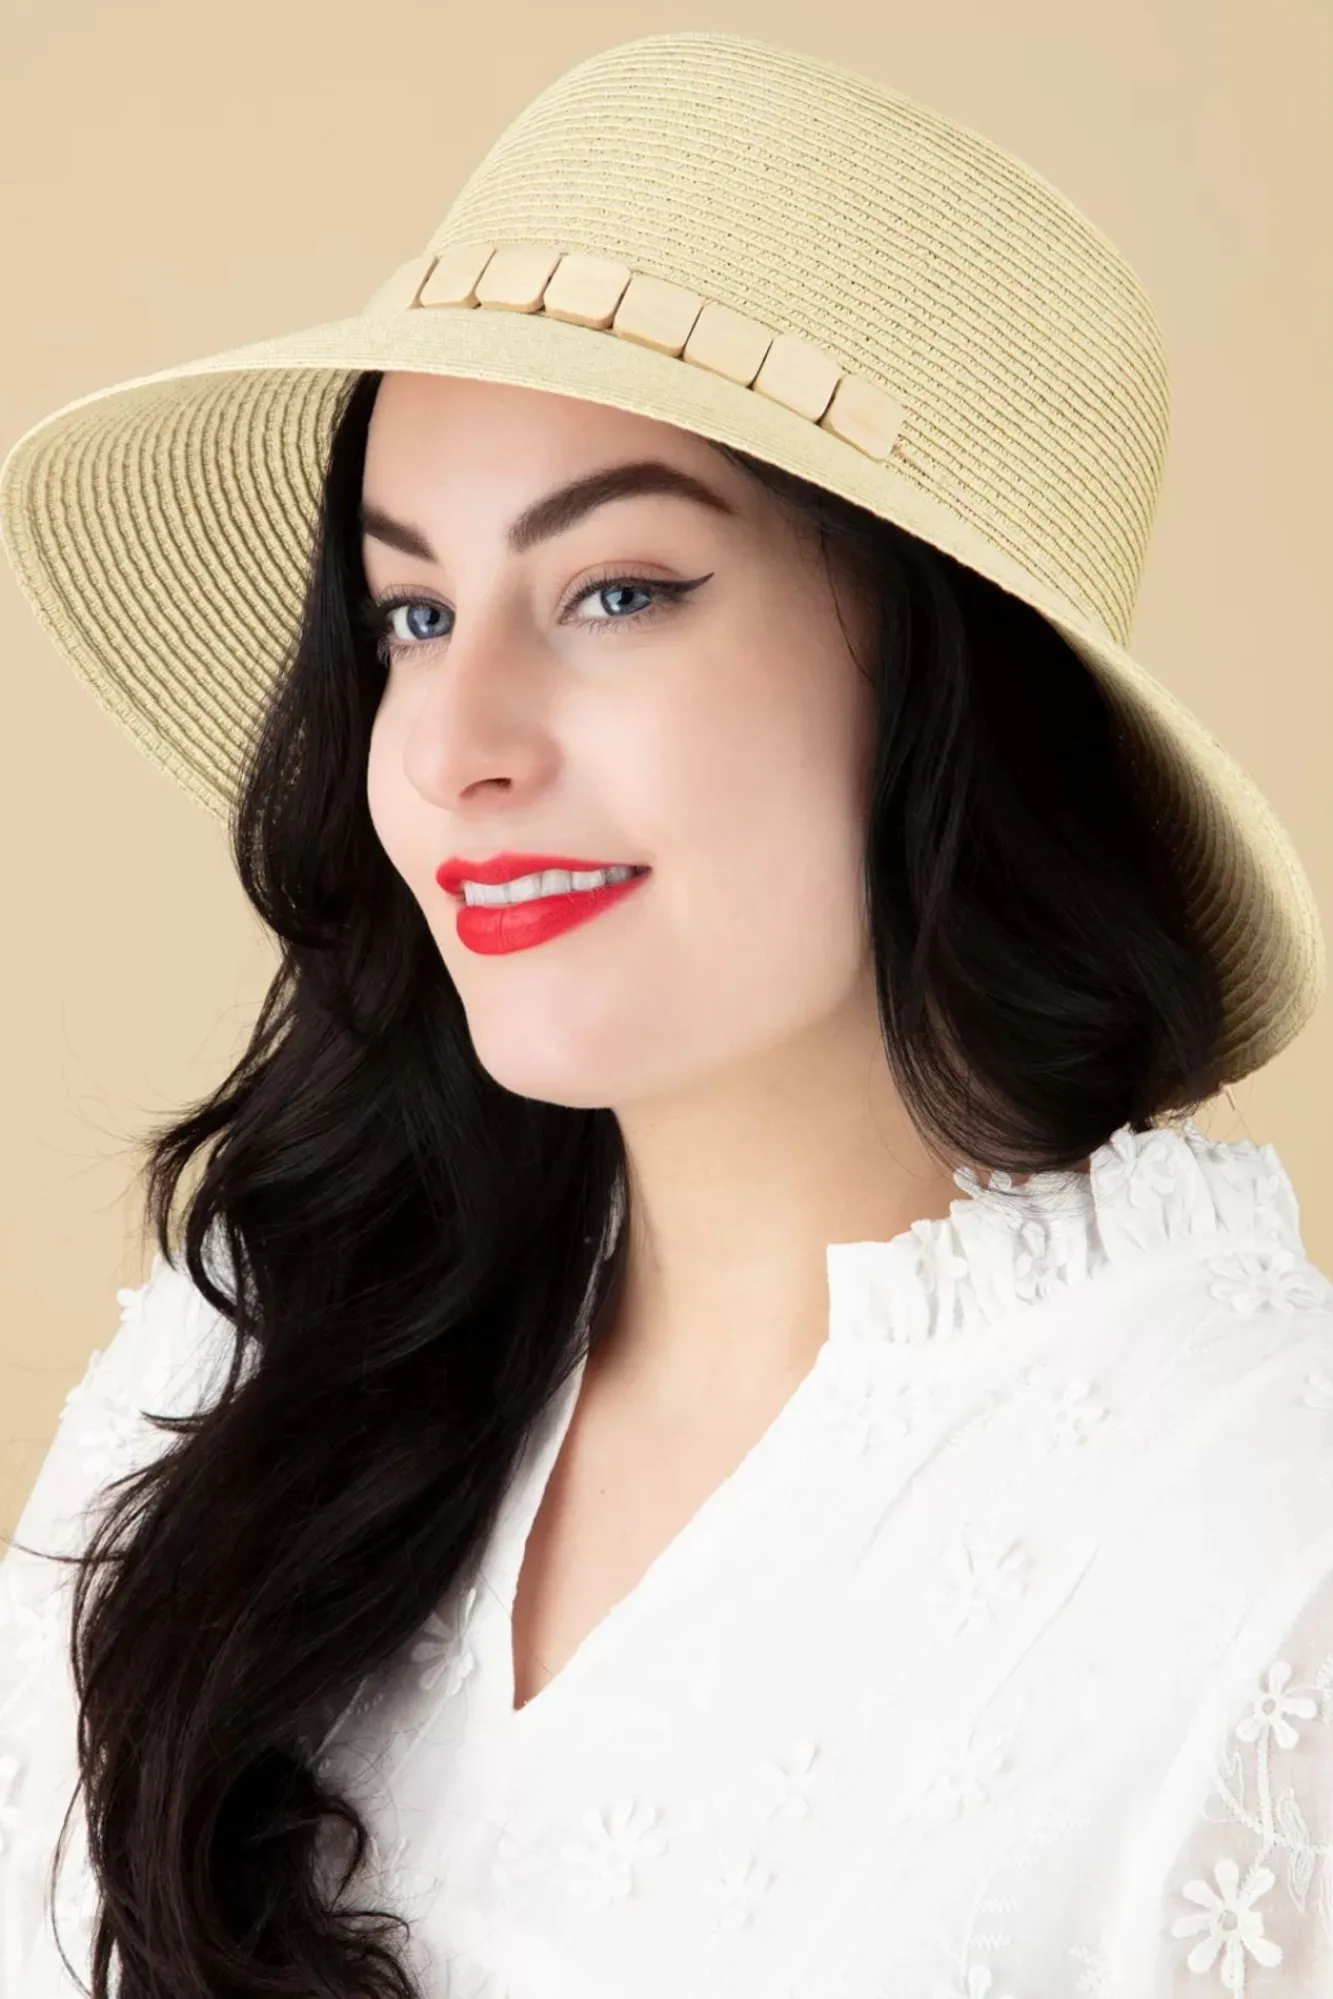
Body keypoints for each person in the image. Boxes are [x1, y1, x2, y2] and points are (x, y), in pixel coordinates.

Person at [1, 28, 1331, 1999]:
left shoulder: (1261, 1542)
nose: (449, 745)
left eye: (616, 591)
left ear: (937, 667)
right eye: (411, 615)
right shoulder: (254, 1357)